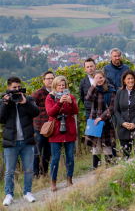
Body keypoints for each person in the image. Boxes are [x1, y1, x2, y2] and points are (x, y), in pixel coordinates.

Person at [1, 77, 40, 205]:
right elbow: (1, 118)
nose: (17, 90)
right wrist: (5, 104)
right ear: (8, 89)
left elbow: (36, 112)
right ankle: (9, 195)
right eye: (14, 88)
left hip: (26, 141)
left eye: (19, 87)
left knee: (29, 169)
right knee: (10, 171)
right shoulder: (4, 102)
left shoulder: (28, 99)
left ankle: (27, 192)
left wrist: (25, 102)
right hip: (11, 141)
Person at [46, 76, 79, 192]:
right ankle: (53, 181)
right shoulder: (50, 97)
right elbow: (50, 112)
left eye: (63, 85)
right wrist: (60, 103)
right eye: (59, 85)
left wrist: (71, 103)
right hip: (56, 131)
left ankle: (69, 179)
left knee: (70, 156)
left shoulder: (71, 97)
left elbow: (75, 112)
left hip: (69, 130)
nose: (61, 87)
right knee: (55, 158)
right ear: (55, 86)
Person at [84, 70, 117, 169]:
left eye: (101, 77)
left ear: (104, 78)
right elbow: (88, 98)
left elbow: (111, 108)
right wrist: (93, 85)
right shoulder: (93, 90)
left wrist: (101, 117)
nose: (99, 80)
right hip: (95, 122)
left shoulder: (110, 90)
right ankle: (95, 169)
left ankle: (109, 168)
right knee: (96, 147)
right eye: (97, 78)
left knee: (107, 147)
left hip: (106, 121)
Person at [114, 70, 135, 157]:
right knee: (126, 156)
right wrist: (123, 123)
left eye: (132, 78)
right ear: (124, 80)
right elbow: (116, 110)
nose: (130, 81)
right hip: (123, 129)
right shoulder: (119, 93)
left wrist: (134, 123)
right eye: (128, 79)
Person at [31, 71, 54, 179]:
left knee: (48, 153)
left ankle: (44, 173)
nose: (50, 80)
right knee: (37, 152)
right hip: (39, 128)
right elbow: (30, 108)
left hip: (51, 128)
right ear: (43, 80)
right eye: (48, 78)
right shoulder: (37, 93)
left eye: (52, 78)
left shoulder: (55, 92)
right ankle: (35, 175)